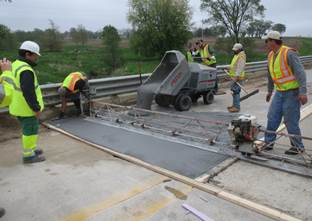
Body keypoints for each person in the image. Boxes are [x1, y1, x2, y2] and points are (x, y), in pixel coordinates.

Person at [264, 31, 308, 155]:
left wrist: (303, 92)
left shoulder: (289, 53)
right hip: (279, 92)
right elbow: (270, 75)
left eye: (267, 41)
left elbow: (300, 73)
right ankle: (268, 143)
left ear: (273, 41)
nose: (266, 43)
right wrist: (269, 91)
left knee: (290, 120)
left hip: (292, 93)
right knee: (272, 117)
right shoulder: (270, 55)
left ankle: (298, 147)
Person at [9, 41, 45, 164]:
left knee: (30, 129)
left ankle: (32, 148)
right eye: (35, 55)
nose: (36, 58)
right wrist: (36, 108)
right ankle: (28, 155)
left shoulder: (15, 64)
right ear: (27, 54)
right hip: (26, 108)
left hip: (18, 106)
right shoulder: (26, 70)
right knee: (30, 130)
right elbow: (28, 92)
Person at [227, 43, 246, 113]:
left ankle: (237, 107)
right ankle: (234, 105)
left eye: (235, 50)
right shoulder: (237, 55)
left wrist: (236, 77)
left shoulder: (241, 56)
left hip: (238, 77)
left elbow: (240, 68)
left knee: (236, 92)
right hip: (234, 76)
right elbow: (234, 66)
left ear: (239, 50)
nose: (234, 51)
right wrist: (228, 68)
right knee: (234, 92)